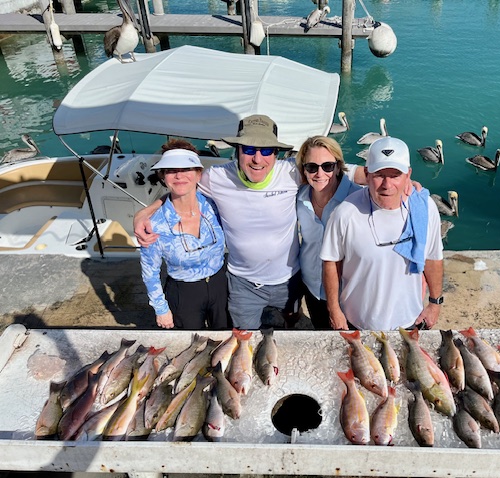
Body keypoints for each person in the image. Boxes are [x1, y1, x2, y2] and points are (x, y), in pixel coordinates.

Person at [135, 114, 365, 330]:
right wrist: (147, 212)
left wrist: (399, 177)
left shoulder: (292, 173)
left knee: (291, 323)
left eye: (266, 150)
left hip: (290, 280)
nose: (257, 159)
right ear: (237, 151)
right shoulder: (217, 178)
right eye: (249, 150)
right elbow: (182, 185)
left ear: (276, 153)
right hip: (243, 284)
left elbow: (342, 170)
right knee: (244, 340)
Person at [320, 136, 444, 331]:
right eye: (379, 175)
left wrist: (435, 302)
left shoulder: (424, 208)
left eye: (395, 175)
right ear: (367, 174)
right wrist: (334, 310)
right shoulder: (345, 213)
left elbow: (432, 258)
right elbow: (331, 263)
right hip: (356, 322)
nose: (387, 185)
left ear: (408, 175)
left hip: (410, 320)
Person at [140, 139, 228, 330]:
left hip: (220, 285)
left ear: (198, 174)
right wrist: (161, 309)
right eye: (171, 170)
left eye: (186, 169)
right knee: (191, 346)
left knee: (224, 340)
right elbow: (150, 273)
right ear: (163, 176)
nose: (179, 175)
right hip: (184, 293)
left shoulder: (215, 206)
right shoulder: (154, 224)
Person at [296, 136, 362, 329]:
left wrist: (412, 188)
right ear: (304, 170)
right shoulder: (299, 198)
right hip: (311, 286)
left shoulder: (357, 199)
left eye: (327, 166)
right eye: (311, 167)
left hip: (347, 293)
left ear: (338, 167)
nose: (319, 173)